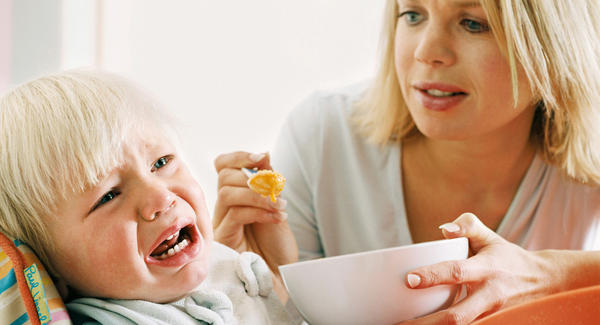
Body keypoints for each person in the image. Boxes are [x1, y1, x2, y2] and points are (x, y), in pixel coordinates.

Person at [213, 0, 600, 323]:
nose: (426, 51)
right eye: (412, 14)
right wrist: (256, 294)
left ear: (554, 43)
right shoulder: (323, 136)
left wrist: (549, 273)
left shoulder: (589, 156)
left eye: (473, 23)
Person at [0, 70, 300, 324]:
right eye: (108, 196)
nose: (161, 198)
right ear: (52, 270)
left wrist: (281, 291)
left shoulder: (238, 270)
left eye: (161, 162)